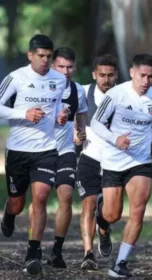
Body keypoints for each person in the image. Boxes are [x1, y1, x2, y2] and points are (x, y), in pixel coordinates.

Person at [91, 54, 152, 278]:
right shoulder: (116, 94)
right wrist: (115, 139)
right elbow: (96, 123)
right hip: (113, 161)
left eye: (150, 76)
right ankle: (102, 219)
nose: (146, 81)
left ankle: (120, 264)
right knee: (112, 214)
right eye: (142, 75)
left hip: (140, 162)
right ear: (132, 72)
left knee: (138, 211)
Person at [0, 34, 68, 275]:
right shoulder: (16, 78)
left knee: (40, 197)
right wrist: (24, 114)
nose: (45, 61)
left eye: (49, 57)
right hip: (18, 150)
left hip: (46, 149)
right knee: (18, 203)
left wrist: (61, 116)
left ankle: (32, 254)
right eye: (41, 56)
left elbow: (58, 106)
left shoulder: (59, 80)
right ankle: (8, 214)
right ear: (30, 55)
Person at [27, 47, 88, 268]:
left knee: (66, 196)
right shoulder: (39, 87)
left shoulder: (78, 90)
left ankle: (57, 251)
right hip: (41, 151)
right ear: (53, 66)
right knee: (39, 199)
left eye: (69, 67)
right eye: (61, 66)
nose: (66, 71)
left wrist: (80, 134)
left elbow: (80, 118)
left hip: (66, 151)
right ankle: (33, 248)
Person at [76, 54, 118, 270]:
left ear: (117, 75)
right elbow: (66, 114)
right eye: (102, 75)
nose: (106, 79)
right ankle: (88, 254)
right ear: (94, 75)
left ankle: (104, 229)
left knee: (108, 210)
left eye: (110, 75)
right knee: (88, 204)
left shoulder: (125, 95)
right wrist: (74, 134)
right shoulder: (83, 92)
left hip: (115, 162)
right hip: (89, 158)